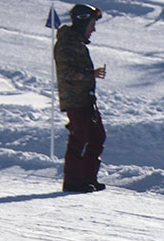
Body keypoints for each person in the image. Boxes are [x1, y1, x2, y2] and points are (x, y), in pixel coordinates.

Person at [54, 4, 107, 193]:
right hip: (75, 100)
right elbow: (66, 73)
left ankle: (88, 179)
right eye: (92, 24)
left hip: (86, 99)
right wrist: (90, 75)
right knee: (80, 137)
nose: (94, 29)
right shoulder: (66, 44)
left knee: (97, 135)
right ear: (83, 23)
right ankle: (73, 182)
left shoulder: (77, 44)